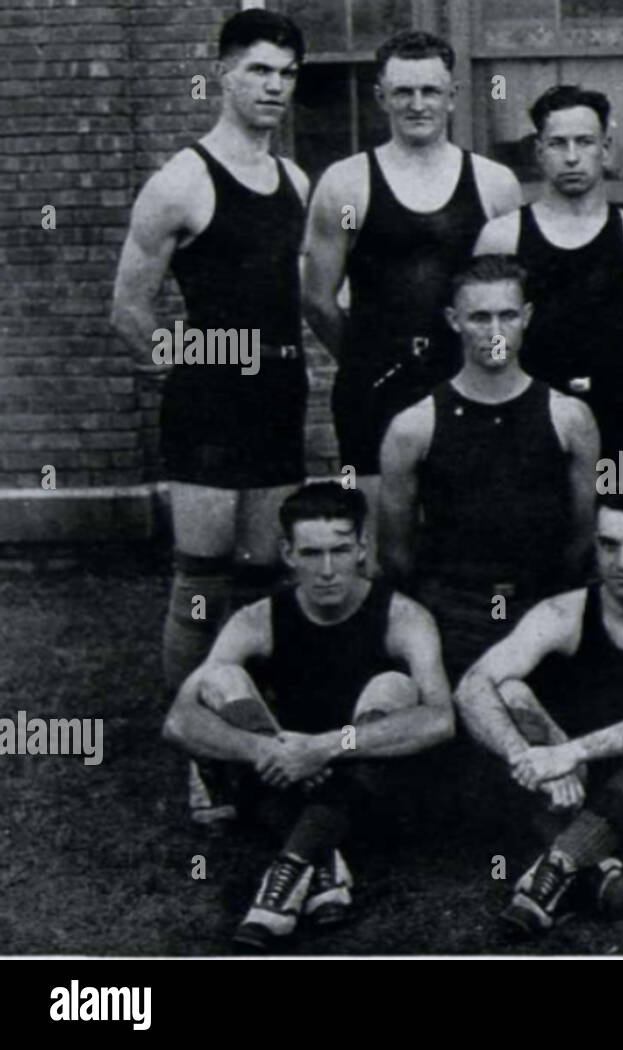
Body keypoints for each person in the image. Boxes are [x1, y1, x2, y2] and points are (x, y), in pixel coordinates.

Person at [111, 10, 311, 820]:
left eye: (288, 74)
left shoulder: (296, 182)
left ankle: (254, 732)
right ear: (223, 73)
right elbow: (128, 309)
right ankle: (199, 753)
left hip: (277, 400)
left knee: (267, 579)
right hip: (208, 408)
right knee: (201, 580)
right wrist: (195, 363)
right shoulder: (181, 180)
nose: (274, 88)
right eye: (260, 71)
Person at [161, 482, 454, 950]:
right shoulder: (258, 619)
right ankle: (322, 862)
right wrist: (267, 749)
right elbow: (178, 721)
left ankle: (288, 867)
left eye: (341, 550)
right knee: (218, 678)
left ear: (362, 548)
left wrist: (324, 748)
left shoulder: (404, 616)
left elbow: (440, 720)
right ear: (288, 553)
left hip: (365, 773)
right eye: (312, 553)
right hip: (282, 764)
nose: (327, 569)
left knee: (394, 687)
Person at [456, 494, 623, 937]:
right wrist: (528, 758)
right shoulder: (561, 612)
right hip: (564, 789)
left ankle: (560, 862)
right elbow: (472, 685)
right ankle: (589, 868)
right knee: (507, 693)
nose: (621, 561)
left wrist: (573, 752)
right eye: (608, 545)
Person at [303, 31, 521, 517]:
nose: (417, 104)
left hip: (470, 385)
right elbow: (317, 298)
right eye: (403, 92)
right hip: (376, 390)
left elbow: (510, 295)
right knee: (380, 542)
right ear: (381, 97)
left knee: (467, 529)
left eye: (430, 91)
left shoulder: (494, 184)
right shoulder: (346, 184)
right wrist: (369, 358)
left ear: (452, 96)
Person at [378, 255, 600, 682]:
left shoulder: (570, 417)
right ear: (454, 320)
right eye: (480, 317)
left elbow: (582, 534)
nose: (495, 332)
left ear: (527, 318)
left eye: (507, 315)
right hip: (452, 608)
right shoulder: (414, 426)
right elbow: (395, 551)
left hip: (545, 605)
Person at [474, 85, 623, 455]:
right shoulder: (501, 237)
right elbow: (486, 336)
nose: (571, 157)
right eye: (557, 144)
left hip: (619, 423)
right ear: (539, 151)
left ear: (606, 148)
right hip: (525, 423)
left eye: (584, 142)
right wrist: (509, 397)